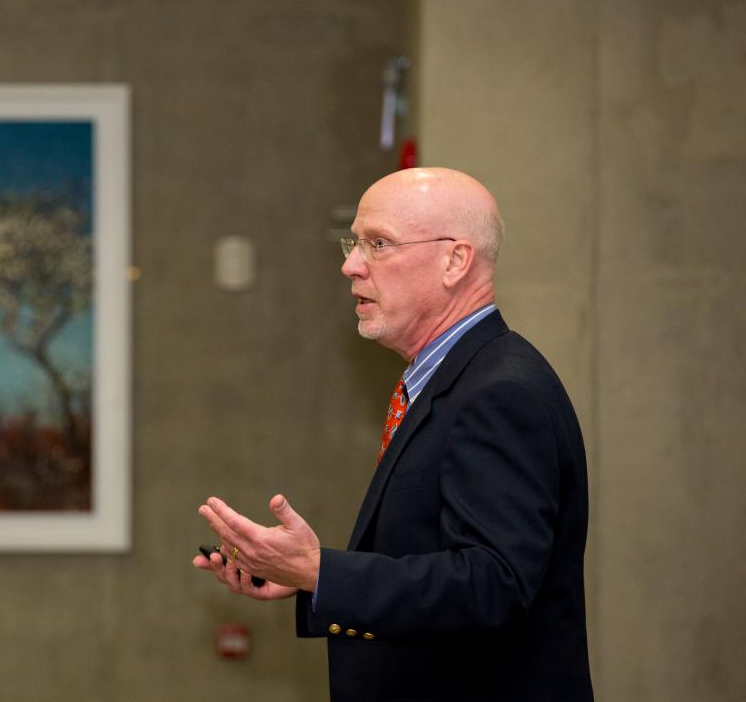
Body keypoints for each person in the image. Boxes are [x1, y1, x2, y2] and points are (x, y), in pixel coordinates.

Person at [194, 167, 594, 701]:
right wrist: (310, 577)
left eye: (377, 244)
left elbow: (492, 586)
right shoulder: (456, 379)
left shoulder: (500, 392)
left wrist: (327, 573)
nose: (350, 265)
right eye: (354, 243)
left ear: (455, 260)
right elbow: (436, 561)